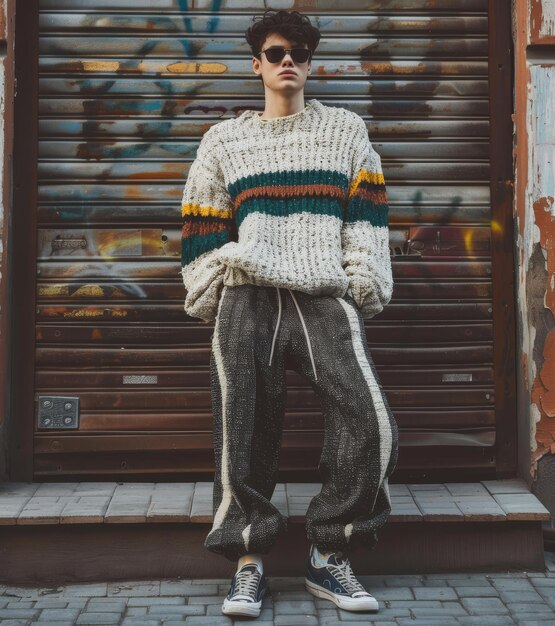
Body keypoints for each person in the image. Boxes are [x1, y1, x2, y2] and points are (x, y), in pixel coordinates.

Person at [179, 8, 399, 619]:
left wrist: (362, 286)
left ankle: (331, 556)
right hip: (248, 297)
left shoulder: (347, 132)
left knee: (371, 425)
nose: (288, 63)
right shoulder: (224, 140)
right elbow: (200, 225)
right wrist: (213, 285)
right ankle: (249, 565)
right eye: (276, 53)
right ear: (257, 64)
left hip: (323, 298)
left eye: (299, 53)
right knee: (241, 432)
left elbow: (368, 219)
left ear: (310, 62)